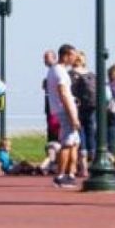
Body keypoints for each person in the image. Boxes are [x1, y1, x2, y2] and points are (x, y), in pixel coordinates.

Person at [47, 44, 81, 188]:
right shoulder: (60, 72)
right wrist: (72, 115)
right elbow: (63, 93)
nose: (75, 58)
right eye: (73, 55)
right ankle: (60, 175)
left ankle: (69, 173)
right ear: (66, 55)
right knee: (67, 143)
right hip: (65, 110)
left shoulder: (54, 70)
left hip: (63, 109)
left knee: (74, 142)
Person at [69, 52, 98, 178]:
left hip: (78, 106)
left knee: (80, 134)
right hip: (91, 106)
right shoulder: (91, 74)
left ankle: (84, 166)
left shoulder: (71, 74)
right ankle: (94, 162)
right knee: (91, 132)